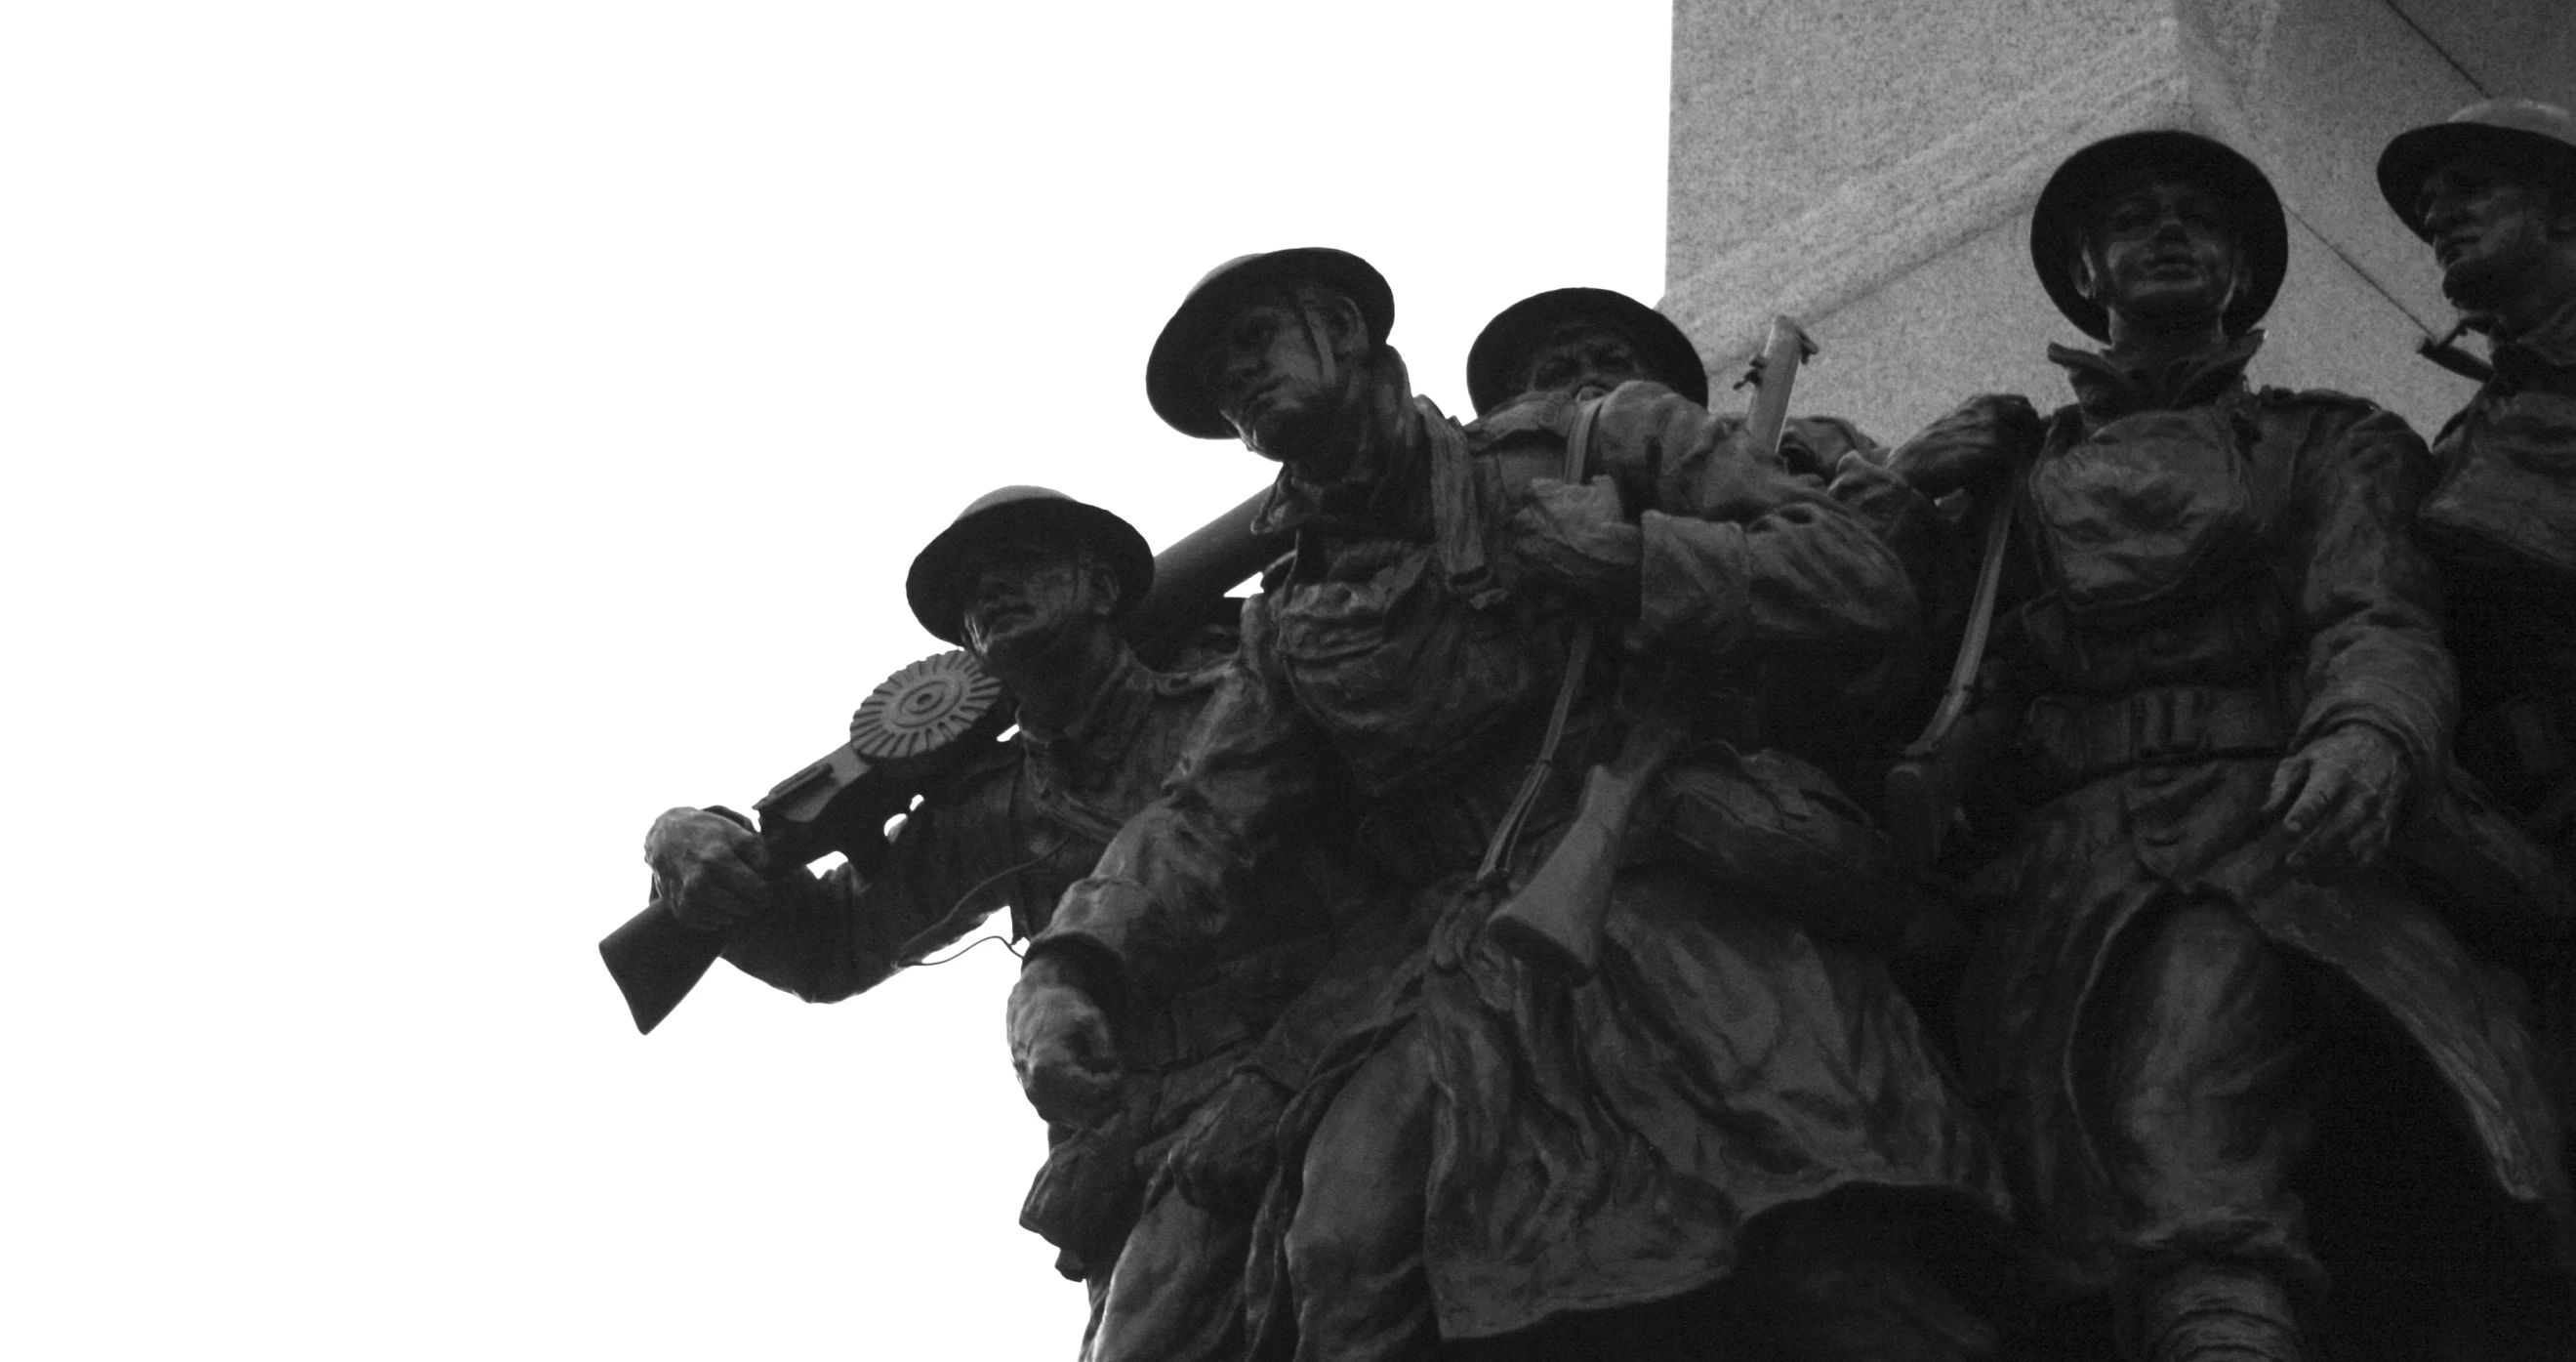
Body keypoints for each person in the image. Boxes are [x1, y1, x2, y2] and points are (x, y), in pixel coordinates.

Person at [1009, 249, 2013, 1361]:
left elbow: (1861, 578)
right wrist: (1071, 966)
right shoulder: (1288, 618)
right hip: (1455, 963)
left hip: (1667, 880)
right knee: (1338, 1265)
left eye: (1251, 345)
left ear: (1342, 329)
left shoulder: (1599, 439)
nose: (1235, 385)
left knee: (1822, 1251)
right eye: (1212, 386)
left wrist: (1634, 559)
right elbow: (1206, 814)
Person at [1888, 129, 2573, 1361]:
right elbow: (1910, 671)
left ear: (2242, 277)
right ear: (2084, 274)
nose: (2165, 233)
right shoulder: (2009, 482)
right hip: (2050, 888)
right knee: (2048, 1225)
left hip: (2260, 846)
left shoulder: (2331, 438)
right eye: (2134, 218)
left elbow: (2376, 616)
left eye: (2197, 221)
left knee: (2180, 1131)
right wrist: (1893, 491)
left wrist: (2369, 733)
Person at [643, 486, 1343, 1362]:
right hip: (1149, 1132)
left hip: (1326, 1052)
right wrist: (681, 840)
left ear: (1098, 585)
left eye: (1022, 563)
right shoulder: (993, 804)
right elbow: (830, 946)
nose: (991, 590)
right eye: (971, 584)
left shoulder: (1229, 693)